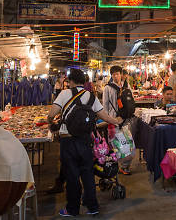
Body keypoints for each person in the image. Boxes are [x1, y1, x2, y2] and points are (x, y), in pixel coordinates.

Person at [47, 68, 122, 217]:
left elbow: (51, 114)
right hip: (86, 141)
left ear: (71, 81)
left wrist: (51, 123)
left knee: (72, 176)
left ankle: (72, 209)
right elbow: (104, 115)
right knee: (87, 174)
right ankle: (92, 206)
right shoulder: (91, 96)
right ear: (84, 81)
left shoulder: (64, 94)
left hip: (68, 141)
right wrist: (116, 121)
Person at [102, 65, 134, 175]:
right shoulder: (107, 88)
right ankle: (117, 165)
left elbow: (131, 101)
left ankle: (125, 166)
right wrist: (107, 120)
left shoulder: (126, 86)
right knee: (115, 144)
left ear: (121, 74)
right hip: (113, 120)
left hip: (125, 120)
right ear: (111, 75)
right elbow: (105, 105)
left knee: (128, 143)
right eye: (114, 74)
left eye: (118, 74)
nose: (116, 76)